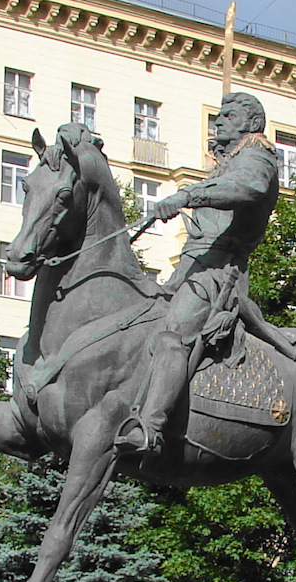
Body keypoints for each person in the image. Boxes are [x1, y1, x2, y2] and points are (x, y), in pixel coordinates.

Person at [114, 90, 282, 457]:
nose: (219, 120)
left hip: (219, 276)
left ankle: (150, 427)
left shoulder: (257, 159)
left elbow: (246, 188)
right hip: (189, 271)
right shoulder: (229, 162)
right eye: (218, 114)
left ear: (251, 124)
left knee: (173, 336)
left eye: (229, 115)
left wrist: (187, 195)